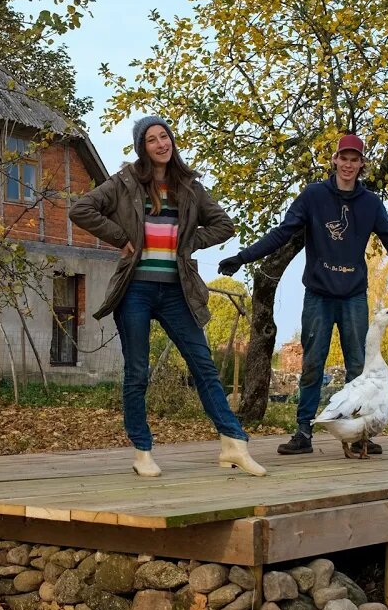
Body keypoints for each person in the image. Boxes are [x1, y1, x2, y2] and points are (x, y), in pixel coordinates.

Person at [219, 133, 388, 455]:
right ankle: (303, 432)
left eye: (354, 159)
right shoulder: (313, 196)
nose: (348, 164)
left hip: (353, 297)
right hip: (318, 295)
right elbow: (281, 233)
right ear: (334, 160)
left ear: (361, 165)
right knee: (312, 364)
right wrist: (242, 257)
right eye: (343, 158)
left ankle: (361, 435)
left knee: (359, 366)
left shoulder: (371, 204)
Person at [70, 115, 266, 477]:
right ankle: (142, 452)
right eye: (152, 139)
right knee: (138, 373)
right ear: (142, 148)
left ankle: (233, 444)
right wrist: (119, 236)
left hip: (178, 292)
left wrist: (188, 242)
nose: (161, 143)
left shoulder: (188, 186)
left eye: (165, 136)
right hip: (136, 291)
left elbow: (224, 224)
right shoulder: (125, 182)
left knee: (204, 366)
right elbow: (80, 209)